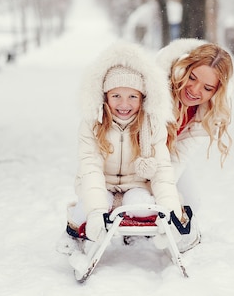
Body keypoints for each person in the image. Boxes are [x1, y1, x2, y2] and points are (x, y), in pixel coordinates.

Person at [60, 42, 182, 252]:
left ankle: (159, 228)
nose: (124, 104)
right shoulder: (93, 124)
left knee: (144, 208)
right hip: (102, 183)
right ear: (105, 96)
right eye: (116, 96)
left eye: (132, 96)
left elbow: (161, 169)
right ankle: (77, 235)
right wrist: (96, 211)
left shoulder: (152, 125)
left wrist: (170, 212)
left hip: (136, 185)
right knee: (86, 212)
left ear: (142, 99)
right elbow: (91, 167)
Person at [156, 38, 234, 249]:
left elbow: (180, 156)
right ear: (183, 67)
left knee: (191, 202)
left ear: (216, 92)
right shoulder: (156, 89)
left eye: (207, 87)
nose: (195, 90)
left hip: (169, 156)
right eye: (192, 77)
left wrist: (162, 191)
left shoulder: (207, 112)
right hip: (133, 157)